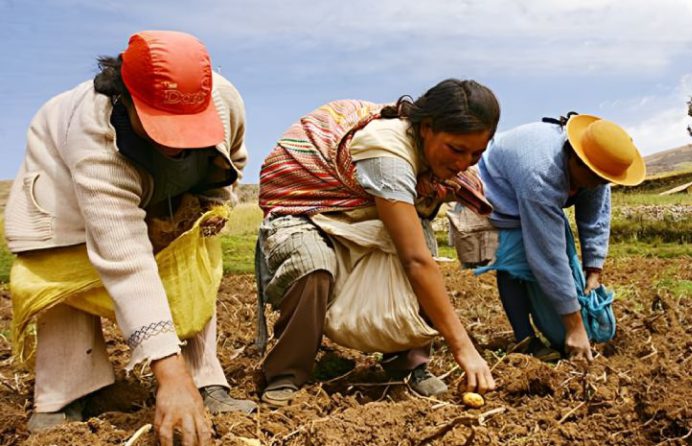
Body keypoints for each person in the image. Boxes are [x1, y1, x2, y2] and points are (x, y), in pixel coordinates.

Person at [5, 30, 255, 443]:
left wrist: (210, 204)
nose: (176, 146)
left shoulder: (223, 100)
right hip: (61, 192)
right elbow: (125, 260)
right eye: (163, 125)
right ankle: (64, 395)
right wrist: (165, 373)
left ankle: (204, 379)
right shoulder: (95, 138)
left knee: (192, 259)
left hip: (166, 190)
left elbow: (234, 157)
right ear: (127, 99)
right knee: (63, 272)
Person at [256, 79, 500, 408]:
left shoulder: (438, 165)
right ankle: (287, 373)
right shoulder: (387, 153)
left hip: (364, 211)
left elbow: (415, 249)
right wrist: (463, 347)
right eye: (457, 149)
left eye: (476, 153)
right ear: (426, 128)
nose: (464, 163)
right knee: (310, 264)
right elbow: (415, 261)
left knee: (422, 241)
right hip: (309, 209)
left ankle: (408, 364)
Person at [476, 113, 645, 361]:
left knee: (562, 273)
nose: (599, 185)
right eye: (595, 179)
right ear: (575, 160)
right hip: (495, 191)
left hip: (529, 188)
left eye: (604, 181)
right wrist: (574, 328)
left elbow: (595, 217)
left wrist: (594, 270)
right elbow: (549, 256)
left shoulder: (596, 167)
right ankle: (525, 340)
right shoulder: (541, 175)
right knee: (513, 263)